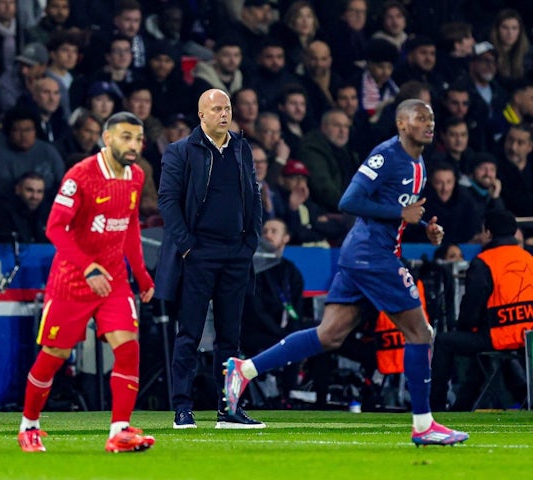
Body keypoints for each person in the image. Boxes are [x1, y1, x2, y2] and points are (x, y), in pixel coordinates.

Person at [224, 99, 470, 446]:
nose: (429, 124)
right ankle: (423, 424)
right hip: (371, 255)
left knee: (329, 335)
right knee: (420, 332)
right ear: (401, 123)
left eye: (431, 118)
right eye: (421, 118)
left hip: (369, 253)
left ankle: (244, 370)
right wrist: (400, 216)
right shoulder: (387, 155)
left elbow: (398, 213)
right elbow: (349, 201)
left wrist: (424, 229)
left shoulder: (420, 163)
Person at [17, 111, 156, 453]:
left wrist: (141, 273)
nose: (134, 145)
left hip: (114, 281)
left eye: (138, 139)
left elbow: (130, 227)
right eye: (126, 137)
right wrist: (88, 268)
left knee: (128, 348)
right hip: (73, 281)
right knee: (54, 354)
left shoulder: (136, 177)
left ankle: (119, 431)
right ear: (106, 138)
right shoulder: (80, 176)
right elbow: (54, 228)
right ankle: (29, 425)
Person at [155, 88, 263, 429]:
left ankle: (229, 408)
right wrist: (188, 247)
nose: (223, 114)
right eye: (216, 109)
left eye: (227, 108)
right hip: (198, 254)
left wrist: (250, 244)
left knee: (230, 338)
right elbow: (168, 202)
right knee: (188, 333)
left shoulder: (242, 149)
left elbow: (254, 197)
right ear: (201, 115)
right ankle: (182, 408)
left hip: (235, 255)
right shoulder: (181, 152)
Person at [430, 209, 531, 411]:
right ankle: (464, 406)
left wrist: (465, 327)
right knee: (482, 348)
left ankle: (436, 408)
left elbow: (471, 306)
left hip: (498, 336)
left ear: (488, 232)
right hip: (528, 340)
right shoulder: (529, 258)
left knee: (444, 341)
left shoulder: (484, 261)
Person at [240, 218, 304, 406]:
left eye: (273, 231)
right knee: (290, 343)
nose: (267, 234)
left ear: (286, 238)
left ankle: (318, 399)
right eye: (265, 231)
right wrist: (283, 336)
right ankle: (283, 397)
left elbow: (297, 309)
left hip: (284, 332)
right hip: (256, 332)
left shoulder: (291, 271)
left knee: (320, 338)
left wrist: (294, 333)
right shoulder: (253, 269)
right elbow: (256, 310)